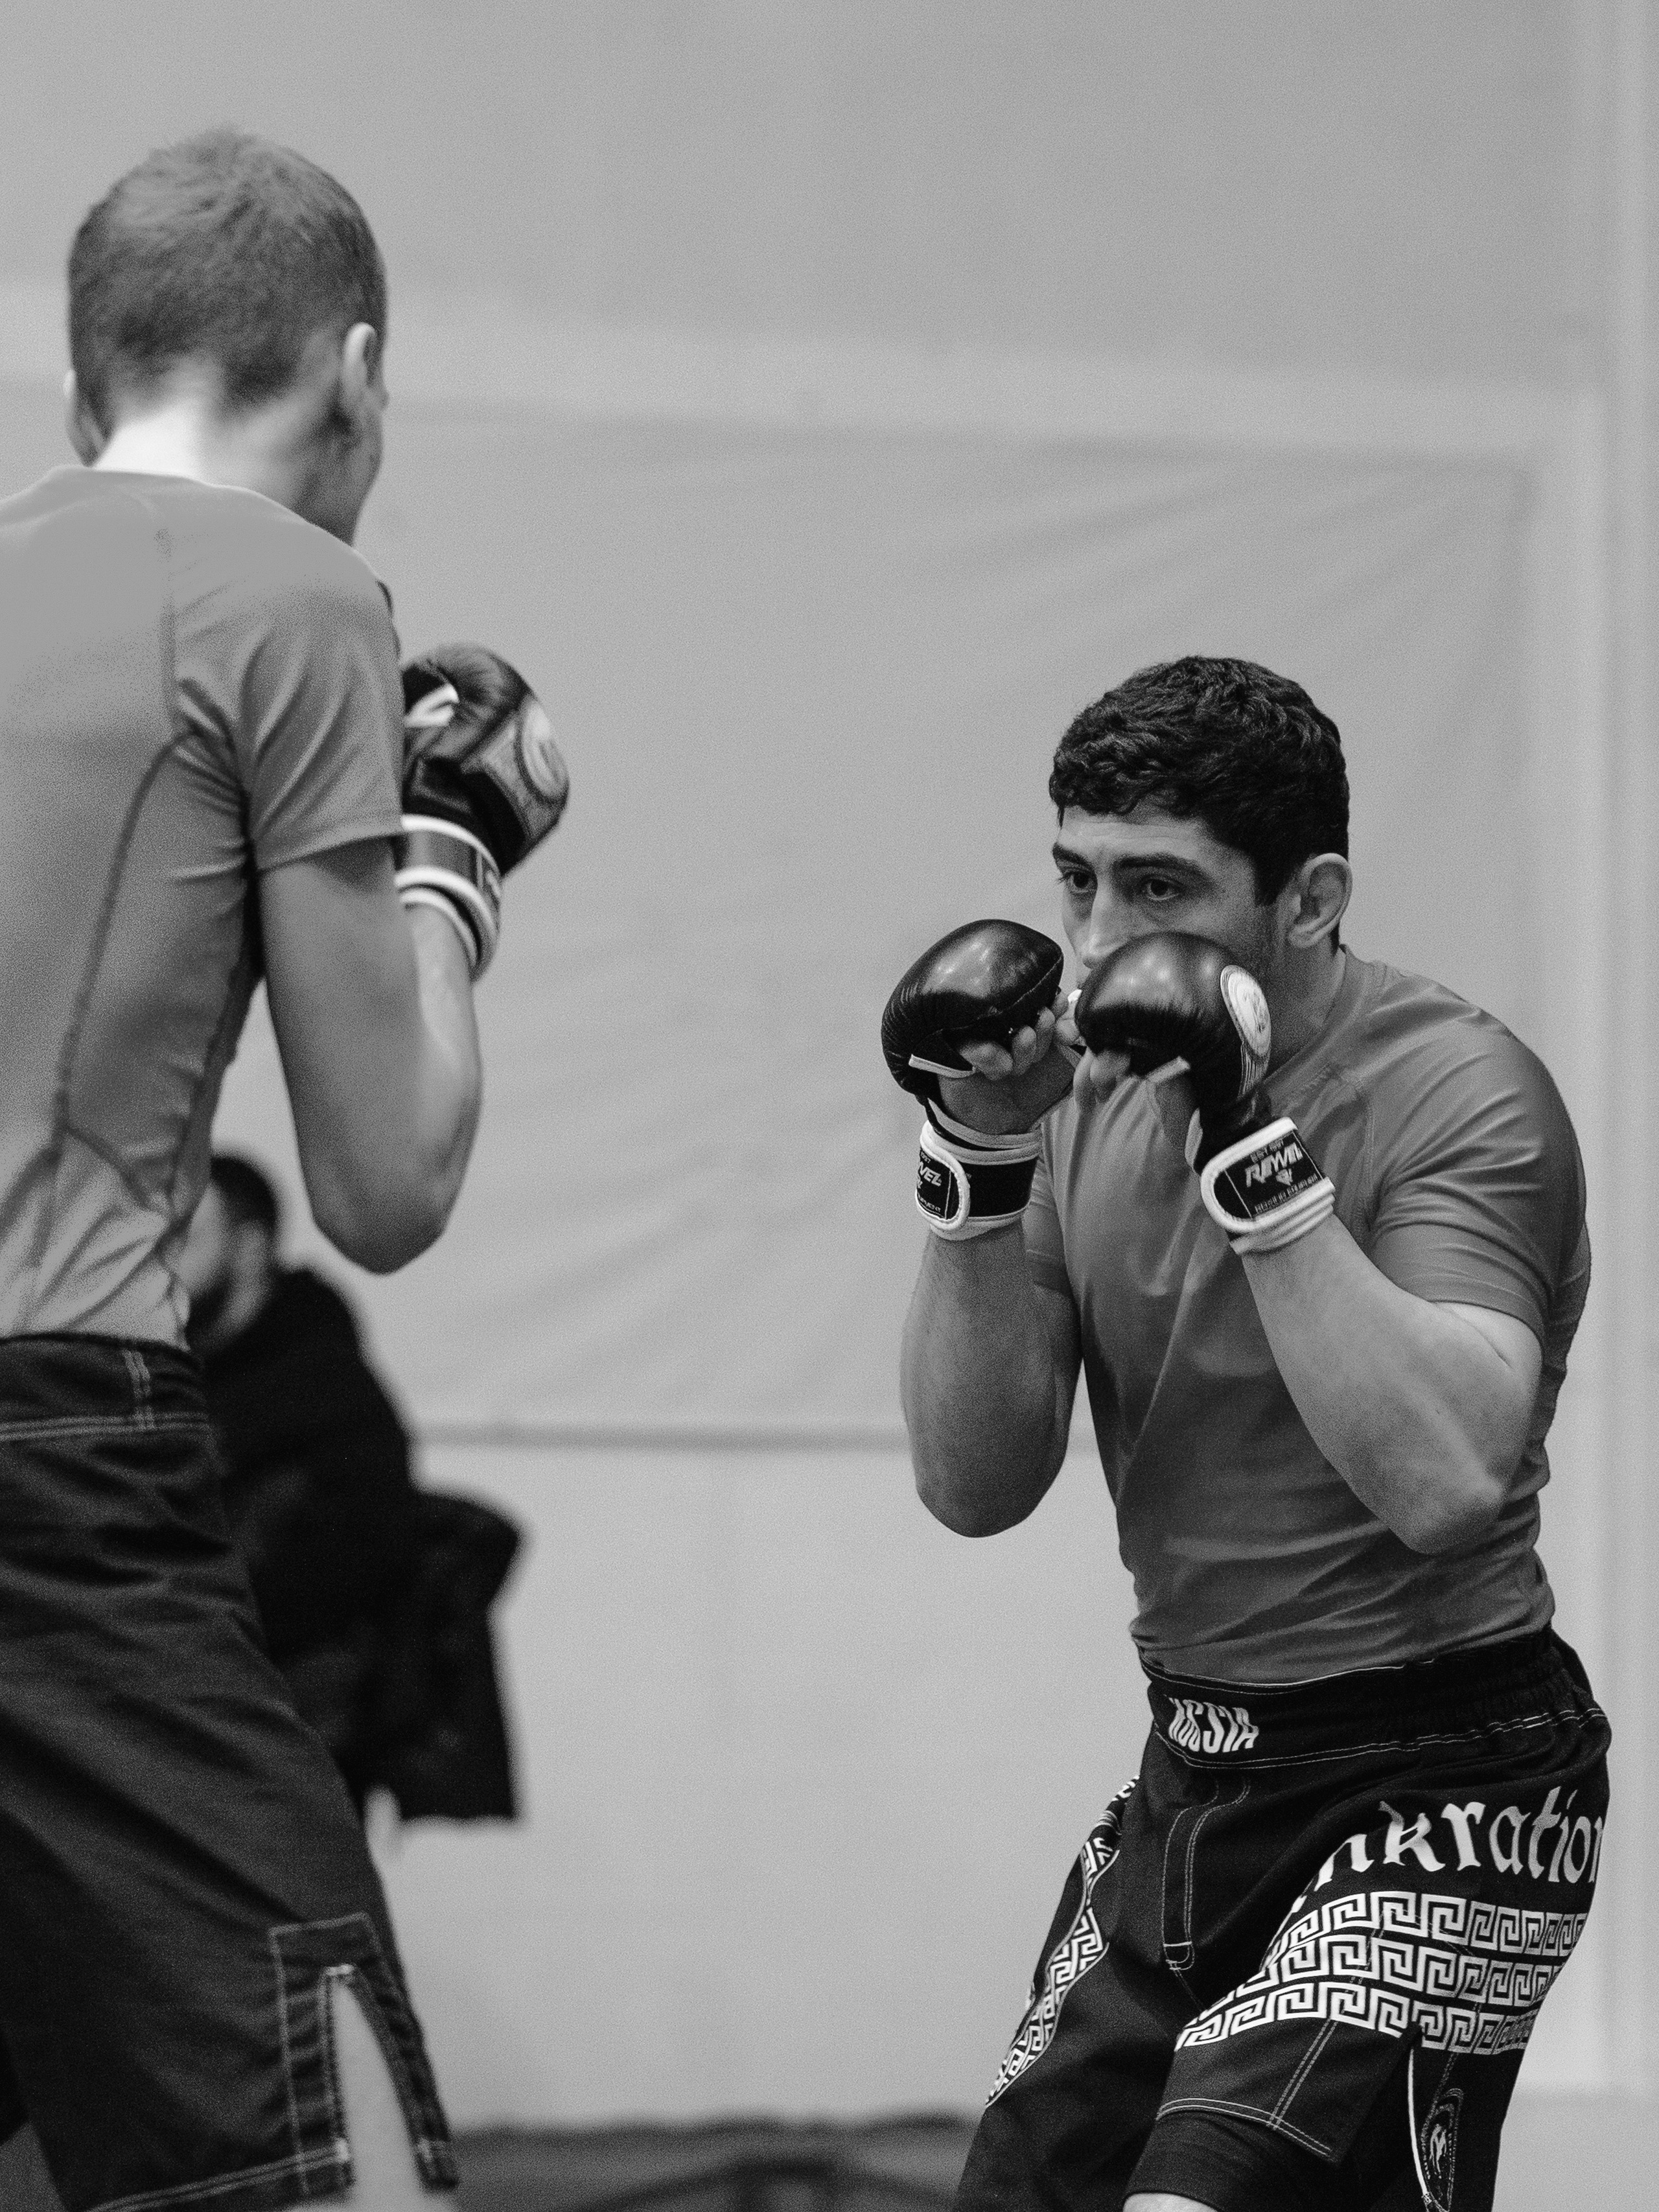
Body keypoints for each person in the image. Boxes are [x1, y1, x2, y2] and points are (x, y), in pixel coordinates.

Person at [0, 130, 565, 2210]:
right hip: (50, 1466)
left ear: (85, 386)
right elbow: (385, 1180)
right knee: (332, 2165)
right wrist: (455, 863)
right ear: (357, 373)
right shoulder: (294, 595)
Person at [887, 657, 1608, 2212]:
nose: (1096, 942)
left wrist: (1243, 1143)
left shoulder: (1456, 1089)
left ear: (1309, 896)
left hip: (1441, 1781)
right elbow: (970, 1480)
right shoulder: (1080, 1097)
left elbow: (1442, 1480)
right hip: (1198, 1774)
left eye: (1157, 887)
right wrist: (976, 1162)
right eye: (1077, 879)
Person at [181, 1151, 523, 1826]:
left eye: (186, 1237)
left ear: (250, 1246)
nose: (162, 1262)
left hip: (288, 1738)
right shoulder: (166, 1377)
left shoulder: (326, 1387)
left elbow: (368, 1549)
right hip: (189, 1718)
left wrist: (220, 1627)